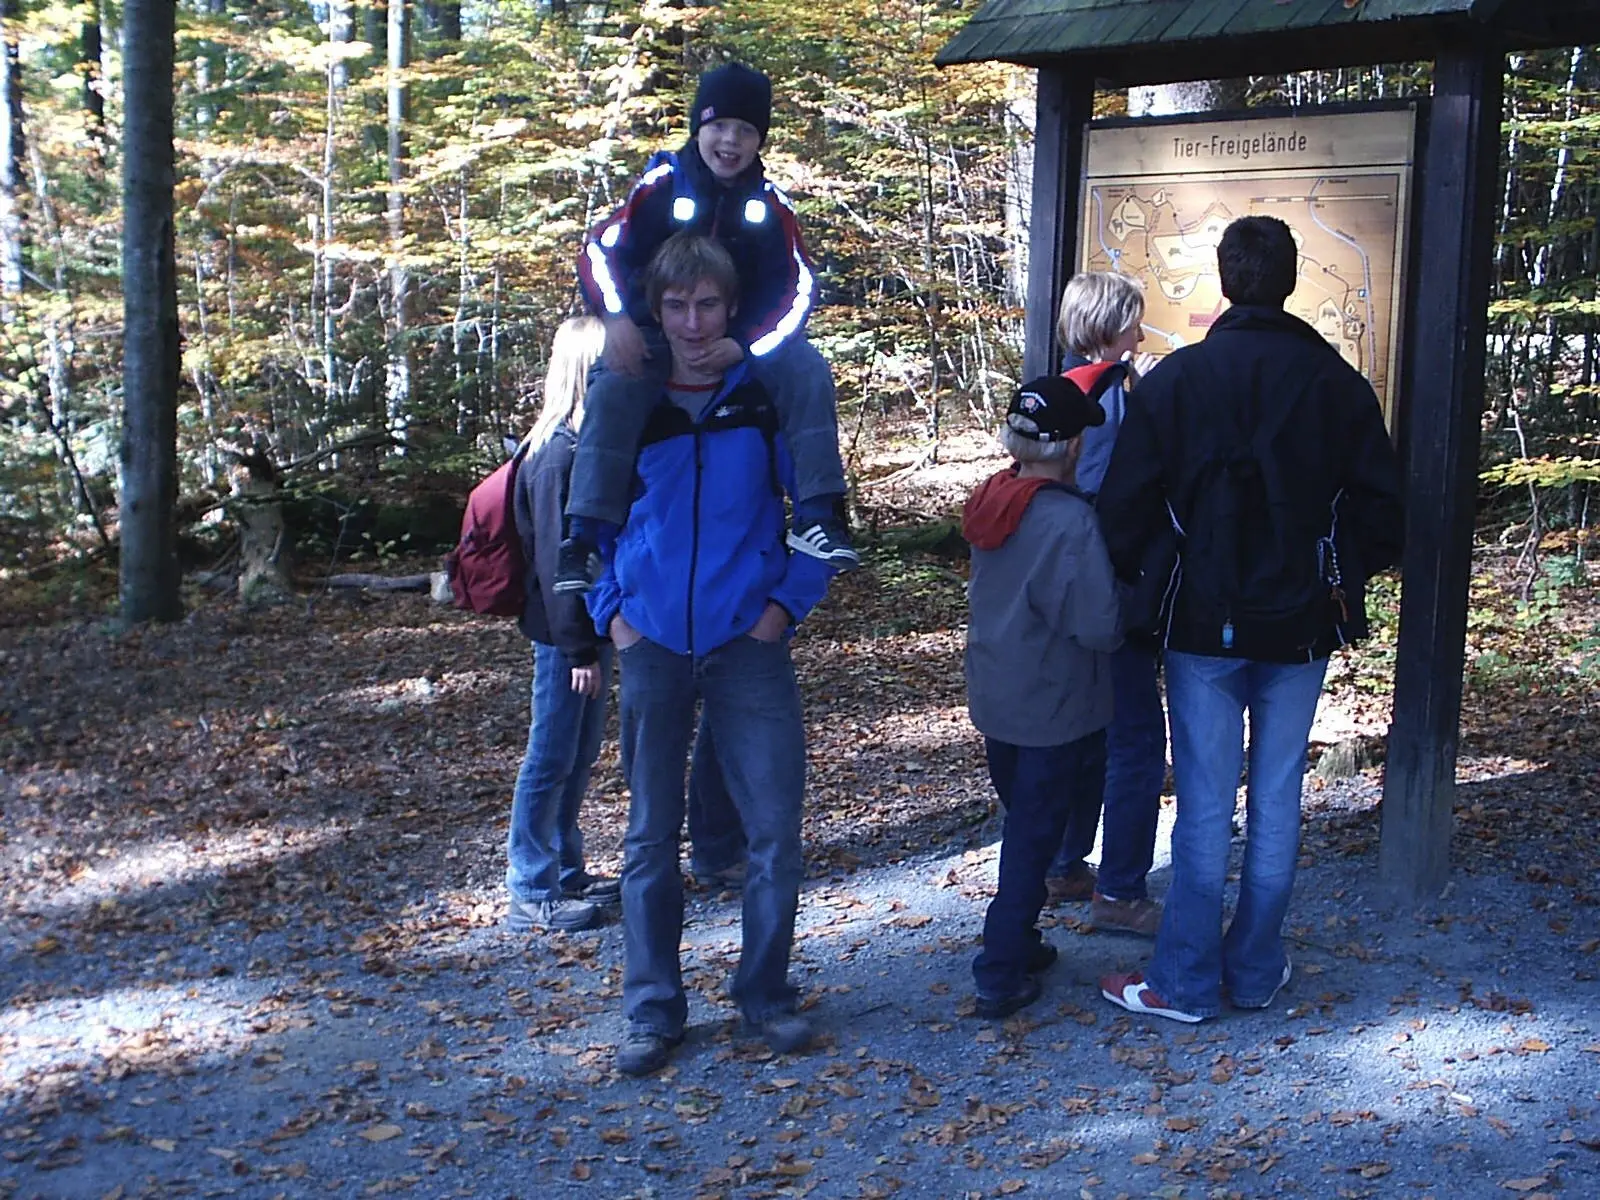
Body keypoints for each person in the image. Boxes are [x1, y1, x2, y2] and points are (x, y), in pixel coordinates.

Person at [1096, 216, 1403, 1023]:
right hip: (1299, 626)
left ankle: (1187, 983)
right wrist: (1336, 569)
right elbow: (1384, 510)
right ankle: (1256, 970)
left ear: (1226, 279)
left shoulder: (1177, 382)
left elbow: (1123, 508)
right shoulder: (1336, 386)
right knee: (1275, 801)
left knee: (1202, 808)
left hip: (1201, 624)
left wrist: (1155, 571)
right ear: (1292, 280)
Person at [586, 234, 837, 1076]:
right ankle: (653, 1012)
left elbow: (821, 514)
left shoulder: (764, 395)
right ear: (655, 314)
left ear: (732, 310)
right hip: (652, 644)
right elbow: (587, 522)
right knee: (650, 839)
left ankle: (763, 997)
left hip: (747, 647)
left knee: (773, 835)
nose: (693, 323)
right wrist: (614, 618)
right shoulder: (631, 401)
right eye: (676, 306)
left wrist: (780, 611)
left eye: (708, 305)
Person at [560, 62, 857, 593]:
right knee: (613, 387)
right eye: (719, 126)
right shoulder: (661, 184)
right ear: (699, 126)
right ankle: (583, 536)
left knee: (807, 370)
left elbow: (801, 288)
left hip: (740, 336)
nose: (730, 141)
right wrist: (616, 318)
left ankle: (820, 513)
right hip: (654, 328)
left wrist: (743, 346)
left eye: (746, 130)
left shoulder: (769, 205)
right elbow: (598, 248)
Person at [962, 375, 1122, 1018]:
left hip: (996, 693)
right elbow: (1099, 625)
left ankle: (1020, 941)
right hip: (1054, 703)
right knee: (1035, 835)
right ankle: (999, 965)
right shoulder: (1069, 522)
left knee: (1023, 823)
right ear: (1073, 445)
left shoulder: (990, 497)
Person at [1042, 272, 1168, 940]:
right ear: (1107, 327)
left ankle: (1064, 862)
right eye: (1132, 322)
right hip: (1109, 588)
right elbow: (1099, 496)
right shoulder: (1111, 396)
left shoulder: (1059, 387)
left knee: (1082, 731)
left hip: (1060, 589)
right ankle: (1120, 889)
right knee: (1137, 741)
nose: (1140, 334)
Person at [504, 316, 620, 934]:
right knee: (549, 755)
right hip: (561, 635)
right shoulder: (556, 455)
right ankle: (529, 888)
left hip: (583, 631)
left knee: (576, 755)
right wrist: (579, 647)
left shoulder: (579, 447)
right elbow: (558, 561)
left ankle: (565, 867)